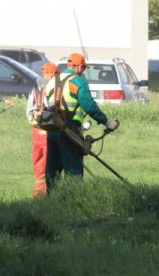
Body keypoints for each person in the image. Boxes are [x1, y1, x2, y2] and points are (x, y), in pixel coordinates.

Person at [44, 53, 119, 190]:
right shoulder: (77, 81)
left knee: (52, 171)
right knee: (74, 172)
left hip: (52, 130)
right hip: (69, 132)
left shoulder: (52, 81)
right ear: (79, 67)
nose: (83, 71)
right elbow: (89, 106)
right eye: (83, 68)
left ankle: (52, 202)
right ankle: (74, 202)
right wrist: (107, 122)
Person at [26, 62, 59, 197]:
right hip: (49, 129)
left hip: (36, 129)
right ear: (53, 74)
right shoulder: (55, 88)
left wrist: (33, 121)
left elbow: (28, 110)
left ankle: (39, 191)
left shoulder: (35, 89)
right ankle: (47, 191)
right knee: (48, 160)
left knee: (38, 159)